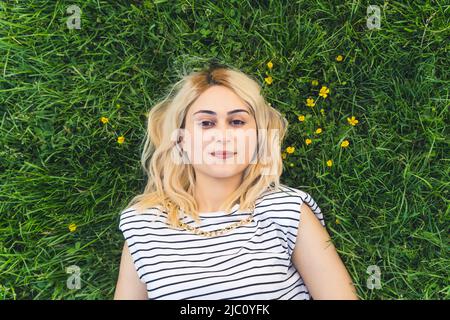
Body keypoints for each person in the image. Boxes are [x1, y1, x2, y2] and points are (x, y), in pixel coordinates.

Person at [114, 62, 358, 300]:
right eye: (207, 123)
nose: (223, 135)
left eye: (237, 122)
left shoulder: (287, 210)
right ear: (181, 140)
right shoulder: (144, 224)